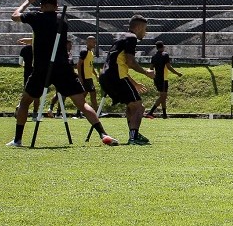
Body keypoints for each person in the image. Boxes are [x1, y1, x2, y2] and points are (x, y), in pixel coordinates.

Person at [7, 0, 117, 147]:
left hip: (42, 68)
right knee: (82, 103)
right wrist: (33, 41)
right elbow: (51, 39)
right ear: (57, 7)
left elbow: (14, 16)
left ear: (42, 6)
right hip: (63, 67)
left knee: (24, 102)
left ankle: (17, 140)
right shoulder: (62, 21)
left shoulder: (36, 17)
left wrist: (27, 2)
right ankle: (103, 134)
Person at [99, 14, 156, 144]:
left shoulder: (122, 38)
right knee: (139, 107)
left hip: (107, 76)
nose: (145, 32)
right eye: (145, 29)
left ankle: (133, 134)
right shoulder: (132, 38)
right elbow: (130, 62)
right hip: (116, 77)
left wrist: (134, 83)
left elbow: (119, 64)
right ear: (139, 27)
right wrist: (146, 72)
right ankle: (133, 137)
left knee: (131, 106)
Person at [145, 41, 183, 119]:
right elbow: (168, 67)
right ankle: (150, 112)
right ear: (163, 47)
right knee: (163, 97)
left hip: (157, 78)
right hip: (163, 79)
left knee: (162, 96)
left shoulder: (154, 56)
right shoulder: (165, 55)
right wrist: (177, 73)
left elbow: (151, 68)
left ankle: (164, 114)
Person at [75, 35, 99, 118]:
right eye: (93, 42)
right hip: (85, 77)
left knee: (84, 95)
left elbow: (90, 65)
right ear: (88, 42)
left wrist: (96, 74)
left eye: (95, 42)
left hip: (89, 77)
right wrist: (80, 77)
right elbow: (79, 65)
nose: (94, 43)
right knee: (93, 93)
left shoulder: (91, 52)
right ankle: (97, 111)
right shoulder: (84, 51)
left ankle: (78, 112)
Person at [17, 37, 40, 117]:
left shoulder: (24, 50)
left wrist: (25, 65)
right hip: (37, 73)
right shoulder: (38, 49)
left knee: (26, 92)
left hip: (27, 73)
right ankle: (35, 113)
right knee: (37, 95)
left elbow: (20, 62)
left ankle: (19, 107)